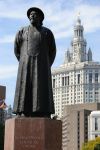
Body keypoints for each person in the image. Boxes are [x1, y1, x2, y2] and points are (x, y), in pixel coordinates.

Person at [13, 7, 56, 118]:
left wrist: (45, 65)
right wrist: (23, 61)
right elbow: (16, 50)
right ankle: (22, 111)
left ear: (41, 18)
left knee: (41, 88)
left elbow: (52, 51)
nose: (32, 16)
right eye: (31, 14)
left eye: (35, 14)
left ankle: (43, 111)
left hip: (42, 67)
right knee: (24, 88)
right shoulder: (21, 31)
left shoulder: (47, 33)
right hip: (25, 66)